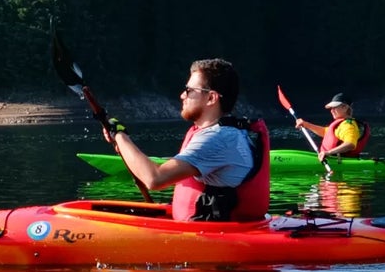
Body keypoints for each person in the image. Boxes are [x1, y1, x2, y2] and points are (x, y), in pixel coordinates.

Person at [110, 58, 272, 221]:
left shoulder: (217, 139)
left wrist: (119, 135)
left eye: (189, 90)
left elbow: (154, 179)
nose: (182, 96)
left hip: (214, 233)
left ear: (211, 98)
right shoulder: (229, 133)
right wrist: (123, 145)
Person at [294, 94, 370, 158]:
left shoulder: (348, 125)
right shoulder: (342, 124)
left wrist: (328, 152)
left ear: (345, 107)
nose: (331, 110)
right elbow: (325, 132)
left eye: (334, 107)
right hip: (332, 158)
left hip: (340, 161)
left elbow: (350, 144)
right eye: (331, 108)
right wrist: (306, 124)